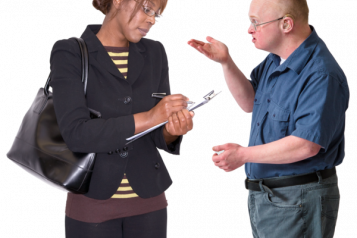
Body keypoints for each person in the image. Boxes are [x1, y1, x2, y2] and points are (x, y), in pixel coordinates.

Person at [186, 0, 348, 237]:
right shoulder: (275, 60)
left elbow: (306, 144)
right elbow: (249, 102)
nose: (249, 29)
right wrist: (226, 62)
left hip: (298, 201)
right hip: (269, 199)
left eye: (255, 22)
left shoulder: (321, 74)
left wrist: (242, 154)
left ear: (286, 24)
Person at [50, 0, 195, 237]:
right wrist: (150, 116)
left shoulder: (155, 51)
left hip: (150, 201)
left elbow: (158, 134)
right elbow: (76, 134)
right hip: (92, 202)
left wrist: (172, 129)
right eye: (147, 9)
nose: (151, 20)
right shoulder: (69, 52)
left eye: (157, 15)